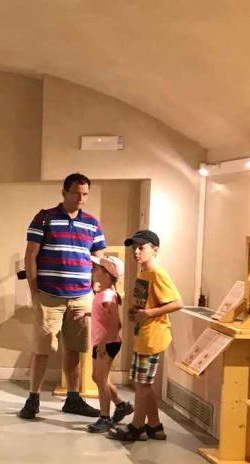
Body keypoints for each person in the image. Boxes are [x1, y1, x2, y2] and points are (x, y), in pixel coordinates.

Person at [18, 173, 106, 420]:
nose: (81, 198)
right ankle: (33, 398)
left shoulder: (92, 223)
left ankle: (73, 398)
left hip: (81, 296)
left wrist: (96, 286)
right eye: (76, 193)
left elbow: (99, 258)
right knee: (42, 347)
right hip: (49, 295)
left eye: (85, 194)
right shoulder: (45, 218)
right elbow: (31, 256)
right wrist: (34, 291)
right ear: (64, 193)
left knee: (75, 348)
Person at [108, 230, 182, 441]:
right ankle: (155, 426)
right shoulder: (144, 273)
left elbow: (177, 303)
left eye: (141, 248)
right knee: (144, 383)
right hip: (143, 334)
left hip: (152, 336)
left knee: (142, 384)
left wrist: (148, 314)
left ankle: (137, 426)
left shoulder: (157, 273)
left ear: (155, 249)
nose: (136, 252)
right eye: (134, 248)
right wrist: (136, 312)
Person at [86, 255, 133, 433]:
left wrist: (104, 343)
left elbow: (116, 324)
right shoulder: (103, 294)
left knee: (100, 379)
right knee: (98, 377)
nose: (94, 270)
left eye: (97, 269)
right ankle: (121, 405)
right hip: (101, 342)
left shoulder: (108, 297)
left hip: (107, 343)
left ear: (107, 275)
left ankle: (105, 418)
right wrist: (87, 314)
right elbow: (103, 317)